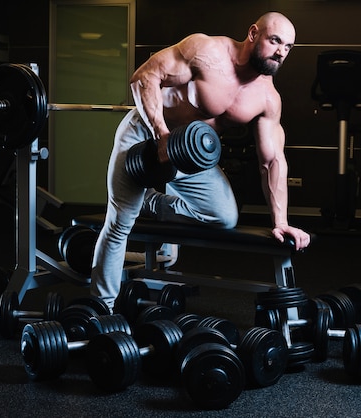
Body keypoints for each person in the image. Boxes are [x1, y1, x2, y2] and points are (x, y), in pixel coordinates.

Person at [90, 11, 311, 310]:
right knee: (120, 225)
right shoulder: (206, 51)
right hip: (146, 135)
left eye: (288, 47)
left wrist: (281, 222)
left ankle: (151, 202)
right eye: (275, 41)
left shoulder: (267, 98)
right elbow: (144, 77)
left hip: (191, 154)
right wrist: (162, 134)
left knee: (224, 217)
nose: (281, 52)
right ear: (253, 33)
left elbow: (271, 161)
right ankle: (101, 310)